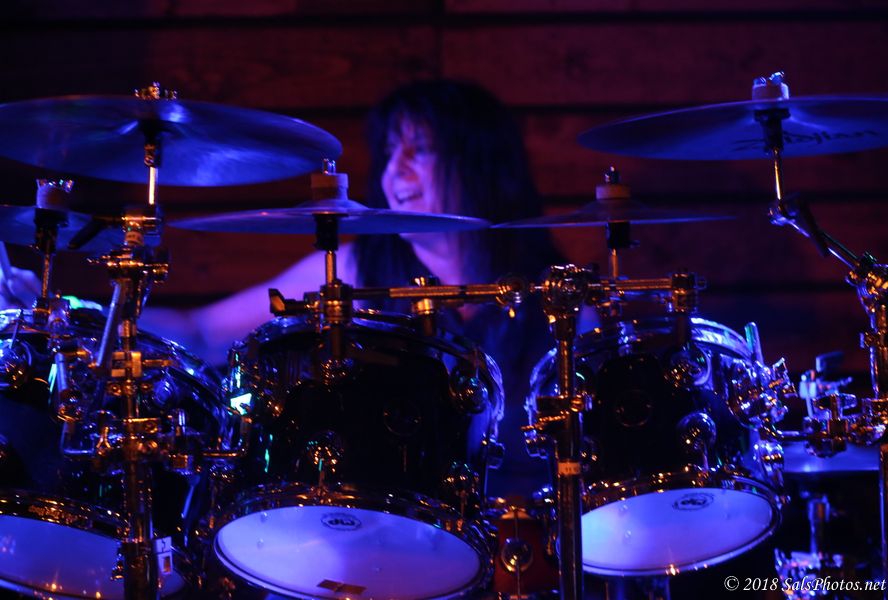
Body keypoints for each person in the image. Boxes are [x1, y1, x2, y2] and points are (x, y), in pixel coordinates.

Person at [0, 79, 565, 496]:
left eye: (419, 150)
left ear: (477, 160)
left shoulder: (548, 285)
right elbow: (203, 332)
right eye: (391, 152)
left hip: (526, 521)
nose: (396, 172)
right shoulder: (357, 263)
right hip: (394, 517)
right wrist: (76, 312)